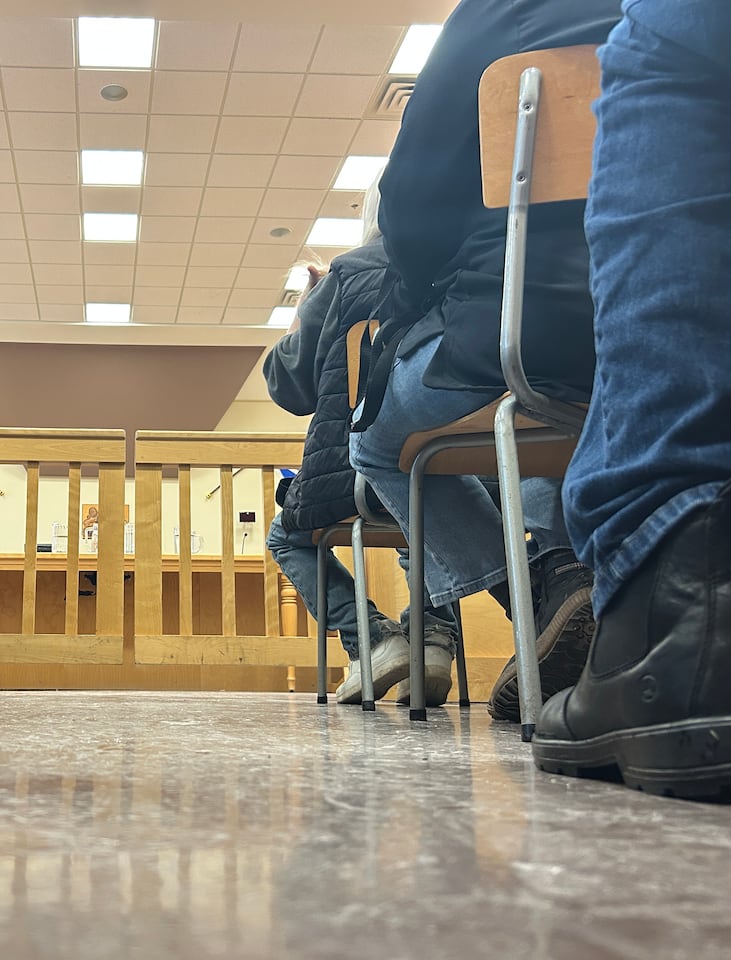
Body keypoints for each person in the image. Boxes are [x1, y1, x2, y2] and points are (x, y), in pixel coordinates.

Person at [346, 0, 622, 721]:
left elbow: (409, 206)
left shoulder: (499, 15)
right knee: (549, 442)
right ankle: (605, 611)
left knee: (373, 443)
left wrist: (425, 288)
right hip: (669, 314)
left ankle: (544, 589)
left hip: (524, 329)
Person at [531, 0, 731, 804]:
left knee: (677, 37)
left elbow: (413, 224)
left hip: (502, 340)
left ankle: (679, 588)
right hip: (561, 329)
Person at [264, 185, 459, 705]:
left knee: (287, 536)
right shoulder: (470, 261)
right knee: (429, 508)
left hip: (359, 478)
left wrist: (305, 308)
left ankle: (372, 641)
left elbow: (288, 385)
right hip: (465, 466)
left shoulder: (352, 271)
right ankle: (434, 639)